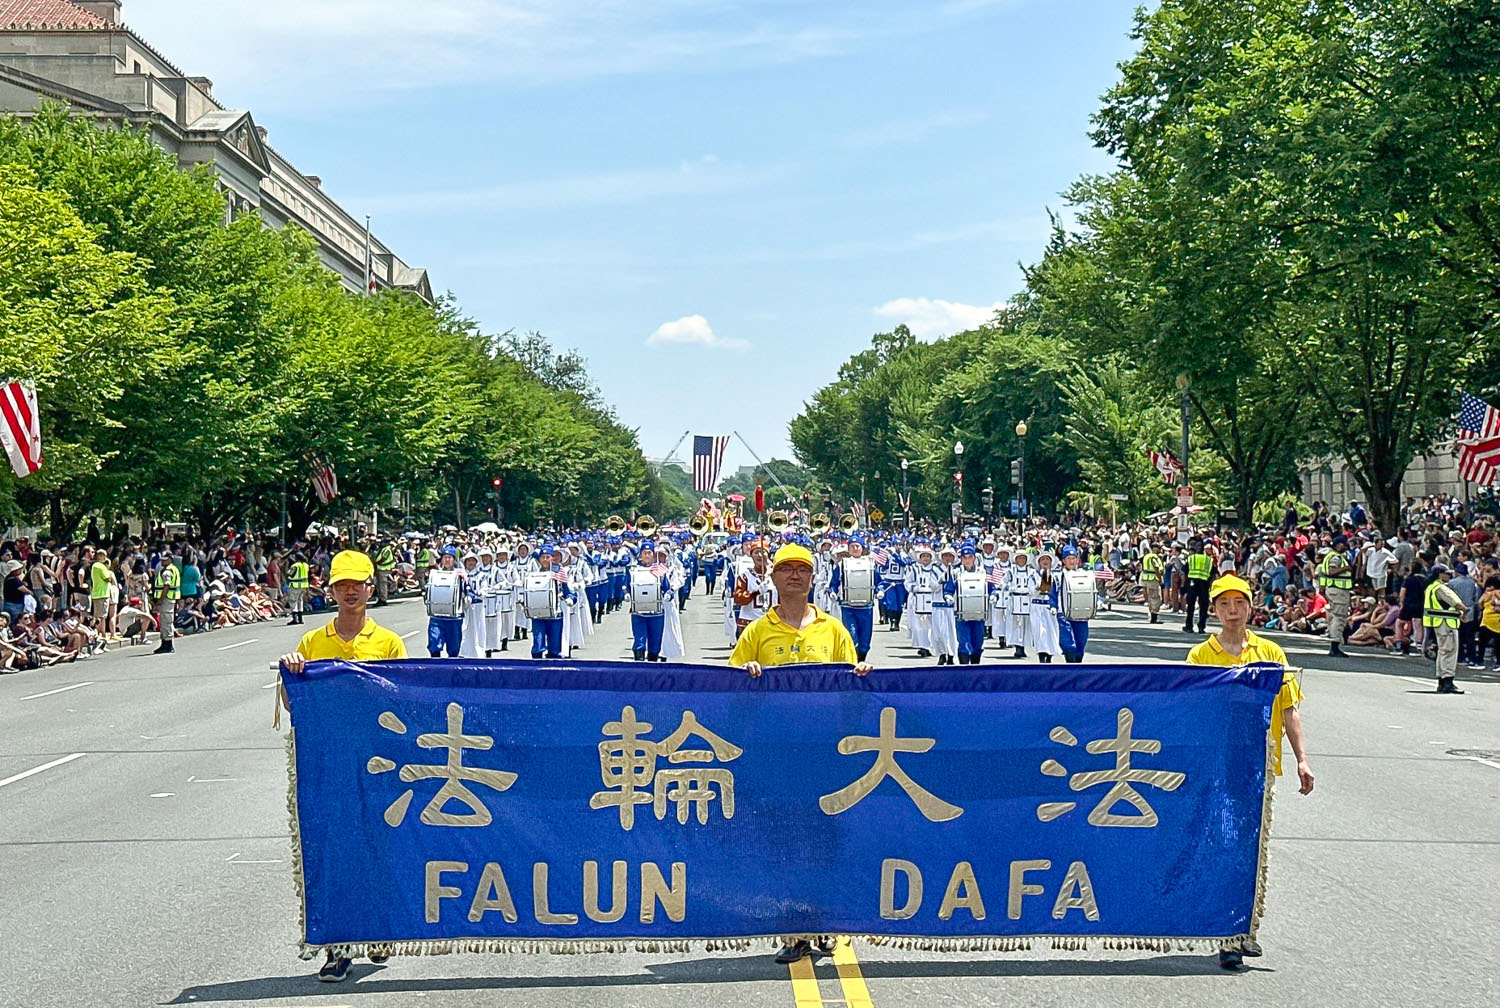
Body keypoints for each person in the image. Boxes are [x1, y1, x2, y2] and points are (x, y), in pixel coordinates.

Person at [728, 542, 873, 966]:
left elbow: (853, 692)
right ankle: (793, 931)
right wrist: (744, 675)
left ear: (813, 579)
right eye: (786, 569)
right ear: (772, 578)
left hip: (824, 755)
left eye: (802, 570)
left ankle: (825, 923)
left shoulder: (833, 630)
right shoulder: (757, 632)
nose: (794, 576)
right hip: (775, 756)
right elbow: (729, 687)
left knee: (826, 841)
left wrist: (862, 674)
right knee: (783, 843)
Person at [276, 548, 406, 983]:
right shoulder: (313, 643)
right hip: (330, 765)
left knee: (379, 845)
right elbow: (294, 702)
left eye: (357, 584)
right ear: (330, 590)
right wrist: (292, 672)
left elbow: (405, 701)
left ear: (371, 588)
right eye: (341, 585)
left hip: (380, 764)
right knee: (336, 851)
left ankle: (379, 926)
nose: (349, 592)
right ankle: (337, 946)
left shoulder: (388, 642)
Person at [1186, 573, 1314, 971]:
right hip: (1216, 764)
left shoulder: (1270, 653)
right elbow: (1186, 713)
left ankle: (1242, 931)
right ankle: (1227, 930)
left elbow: (1289, 711)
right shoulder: (1200, 657)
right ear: (1214, 610)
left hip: (1257, 765)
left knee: (1248, 849)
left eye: (1239, 603)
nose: (1232, 611)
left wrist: (1302, 759)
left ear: (1250, 607)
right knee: (1223, 844)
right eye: (1224, 604)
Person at [1422, 564, 1466, 694]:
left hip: (1437, 623)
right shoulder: (1441, 588)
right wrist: (1465, 611)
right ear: (1440, 574)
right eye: (1447, 573)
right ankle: (1448, 682)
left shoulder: (1430, 587)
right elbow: (1456, 603)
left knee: (1442, 652)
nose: (1449, 575)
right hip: (1447, 623)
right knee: (1449, 652)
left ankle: (1442, 681)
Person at [423, 548, 466, 658]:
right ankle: (435, 669)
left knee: (454, 648)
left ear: (454, 560)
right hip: (437, 616)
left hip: (454, 617)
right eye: (445, 557)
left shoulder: (459, 574)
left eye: (449, 558)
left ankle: (452, 672)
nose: (447, 560)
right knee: (434, 644)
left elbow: (467, 590)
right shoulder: (434, 574)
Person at [1318, 537, 1354, 657]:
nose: (1345, 546)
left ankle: (1335, 643)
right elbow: (1331, 571)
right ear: (1338, 545)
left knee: (1336, 616)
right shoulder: (1335, 557)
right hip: (1338, 590)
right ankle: (1335, 645)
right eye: (1343, 544)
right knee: (1339, 617)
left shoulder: (1331, 555)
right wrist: (1346, 568)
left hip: (1334, 590)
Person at [1183, 536, 1213, 634]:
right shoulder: (1209, 560)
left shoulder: (1191, 558)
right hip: (1204, 585)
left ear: (1196, 548)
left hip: (1192, 583)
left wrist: (1183, 585)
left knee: (1191, 605)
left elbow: (1185, 572)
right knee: (1203, 606)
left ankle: (1189, 626)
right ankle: (1201, 627)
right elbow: (1213, 574)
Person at [152, 552, 181, 654]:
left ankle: (168, 645)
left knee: (166, 622)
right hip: (170, 599)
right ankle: (165, 644)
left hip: (166, 599)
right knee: (165, 621)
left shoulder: (167, 572)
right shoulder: (173, 569)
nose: (162, 561)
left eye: (164, 560)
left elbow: (166, 586)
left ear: (170, 560)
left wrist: (160, 600)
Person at [1139, 540, 1164, 623]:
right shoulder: (1154, 557)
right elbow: (1156, 568)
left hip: (1146, 578)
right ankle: (1154, 616)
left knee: (1151, 597)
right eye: (1159, 548)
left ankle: (1152, 614)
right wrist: (1160, 579)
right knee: (1156, 597)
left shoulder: (1146, 556)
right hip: (1153, 578)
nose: (1160, 550)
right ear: (1155, 548)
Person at [285, 552, 311, 626]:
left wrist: (287, 570)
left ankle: (295, 619)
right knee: (300, 601)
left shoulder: (295, 565)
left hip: (295, 585)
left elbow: (290, 574)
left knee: (293, 601)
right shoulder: (306, 565)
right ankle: (300, 619)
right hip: (303, 585)